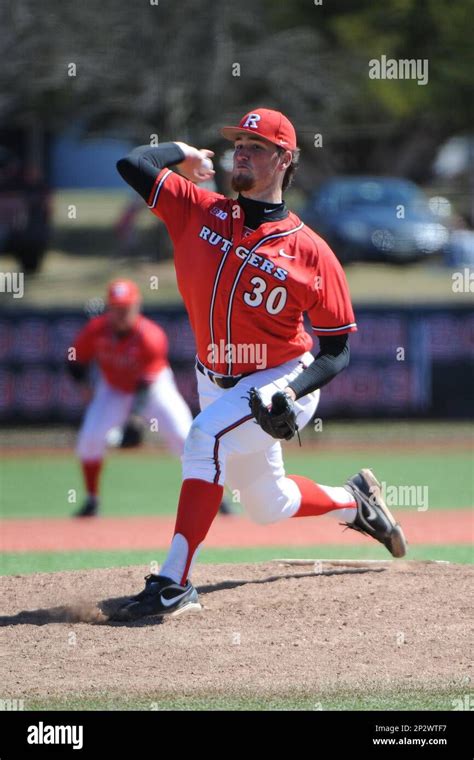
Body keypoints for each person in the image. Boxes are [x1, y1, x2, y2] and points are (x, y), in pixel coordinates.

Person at [113, 107, 407, 620]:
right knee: (267, 506)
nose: (241, 153)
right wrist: (182, 152)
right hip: (215, 379)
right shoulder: (198, 210)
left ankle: (173, 583)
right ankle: (356, 501)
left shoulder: (311, 252)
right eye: (239, 144)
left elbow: (336, 349)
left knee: (204, 439)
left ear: (284, 160)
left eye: (256, 146)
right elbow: (133, 163)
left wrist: (292, 392)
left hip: (281, 379)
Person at [67, 278, 235, 516]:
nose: (121, 313)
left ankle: (218, 497)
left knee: (186, 436)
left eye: (126, 308)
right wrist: (85, 389)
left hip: (155, 388)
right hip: (113, 388)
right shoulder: (96, 331)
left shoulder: (150, 336)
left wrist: (134, 420)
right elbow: (74, 361)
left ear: (137, 307)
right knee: (89, 439)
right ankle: (92, 500)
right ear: (109, 308)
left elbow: (144, 387)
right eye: (116, 308)